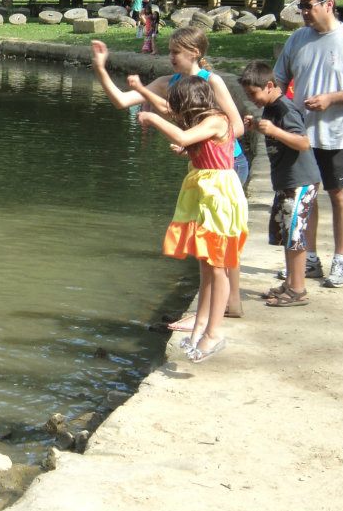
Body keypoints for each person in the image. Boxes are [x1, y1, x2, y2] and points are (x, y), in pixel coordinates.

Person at [90, 27, 247, 327]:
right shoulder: (169, 83)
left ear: (195, 53)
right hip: (201, 168)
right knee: (210, 243)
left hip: (228, 165)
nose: (170, 56)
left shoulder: (211, 81)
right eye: (170, 50)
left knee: (220, 242)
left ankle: (227, 304)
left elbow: (236, 127)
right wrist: (100, 68)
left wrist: (195, 139)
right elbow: (122, 101)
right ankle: (219, 308)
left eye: (176, 51)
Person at [273, 0, 343, 288]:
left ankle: (341, 261)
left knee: (340, 195)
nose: (303, 11)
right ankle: (311, 258)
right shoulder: (297, 39)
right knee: (307, 197)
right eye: (301, 6)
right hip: (301, 135)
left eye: (308, 5)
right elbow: (279, 79)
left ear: (328, 4)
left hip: (337, 135)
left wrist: (331, 98)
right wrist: (276, 110)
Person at [136, 76, 248, 361]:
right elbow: (190, 140)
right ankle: (200, 325)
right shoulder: (203, 123)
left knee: (218, 265)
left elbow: (183, 135)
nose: (177, 113)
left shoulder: (216, 119)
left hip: (219, 198)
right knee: (205, 263)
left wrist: (151, 116)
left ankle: (214, 333)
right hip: (203, 195)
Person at [239, 61, 321, 307]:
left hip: (300, 181)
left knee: (295, 235)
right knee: (287, 234)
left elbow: (303, 142)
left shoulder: (285, 108)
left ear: (269, 85)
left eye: (253, 94)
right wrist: (258, 126)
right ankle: (290, 282)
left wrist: (274, 130)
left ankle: (298, 289)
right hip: (285, 181)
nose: (252, 99)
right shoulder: (271, 109)